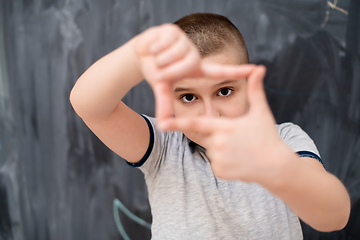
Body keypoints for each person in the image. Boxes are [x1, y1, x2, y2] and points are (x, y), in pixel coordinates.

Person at [70, 13, 350, 239]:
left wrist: (276, 167)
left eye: (224, 91)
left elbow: (335, 216)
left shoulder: (285, 140)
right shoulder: (163, 146)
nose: (210, 115)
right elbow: (88, 104)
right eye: (189, 97)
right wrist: (137, 56)